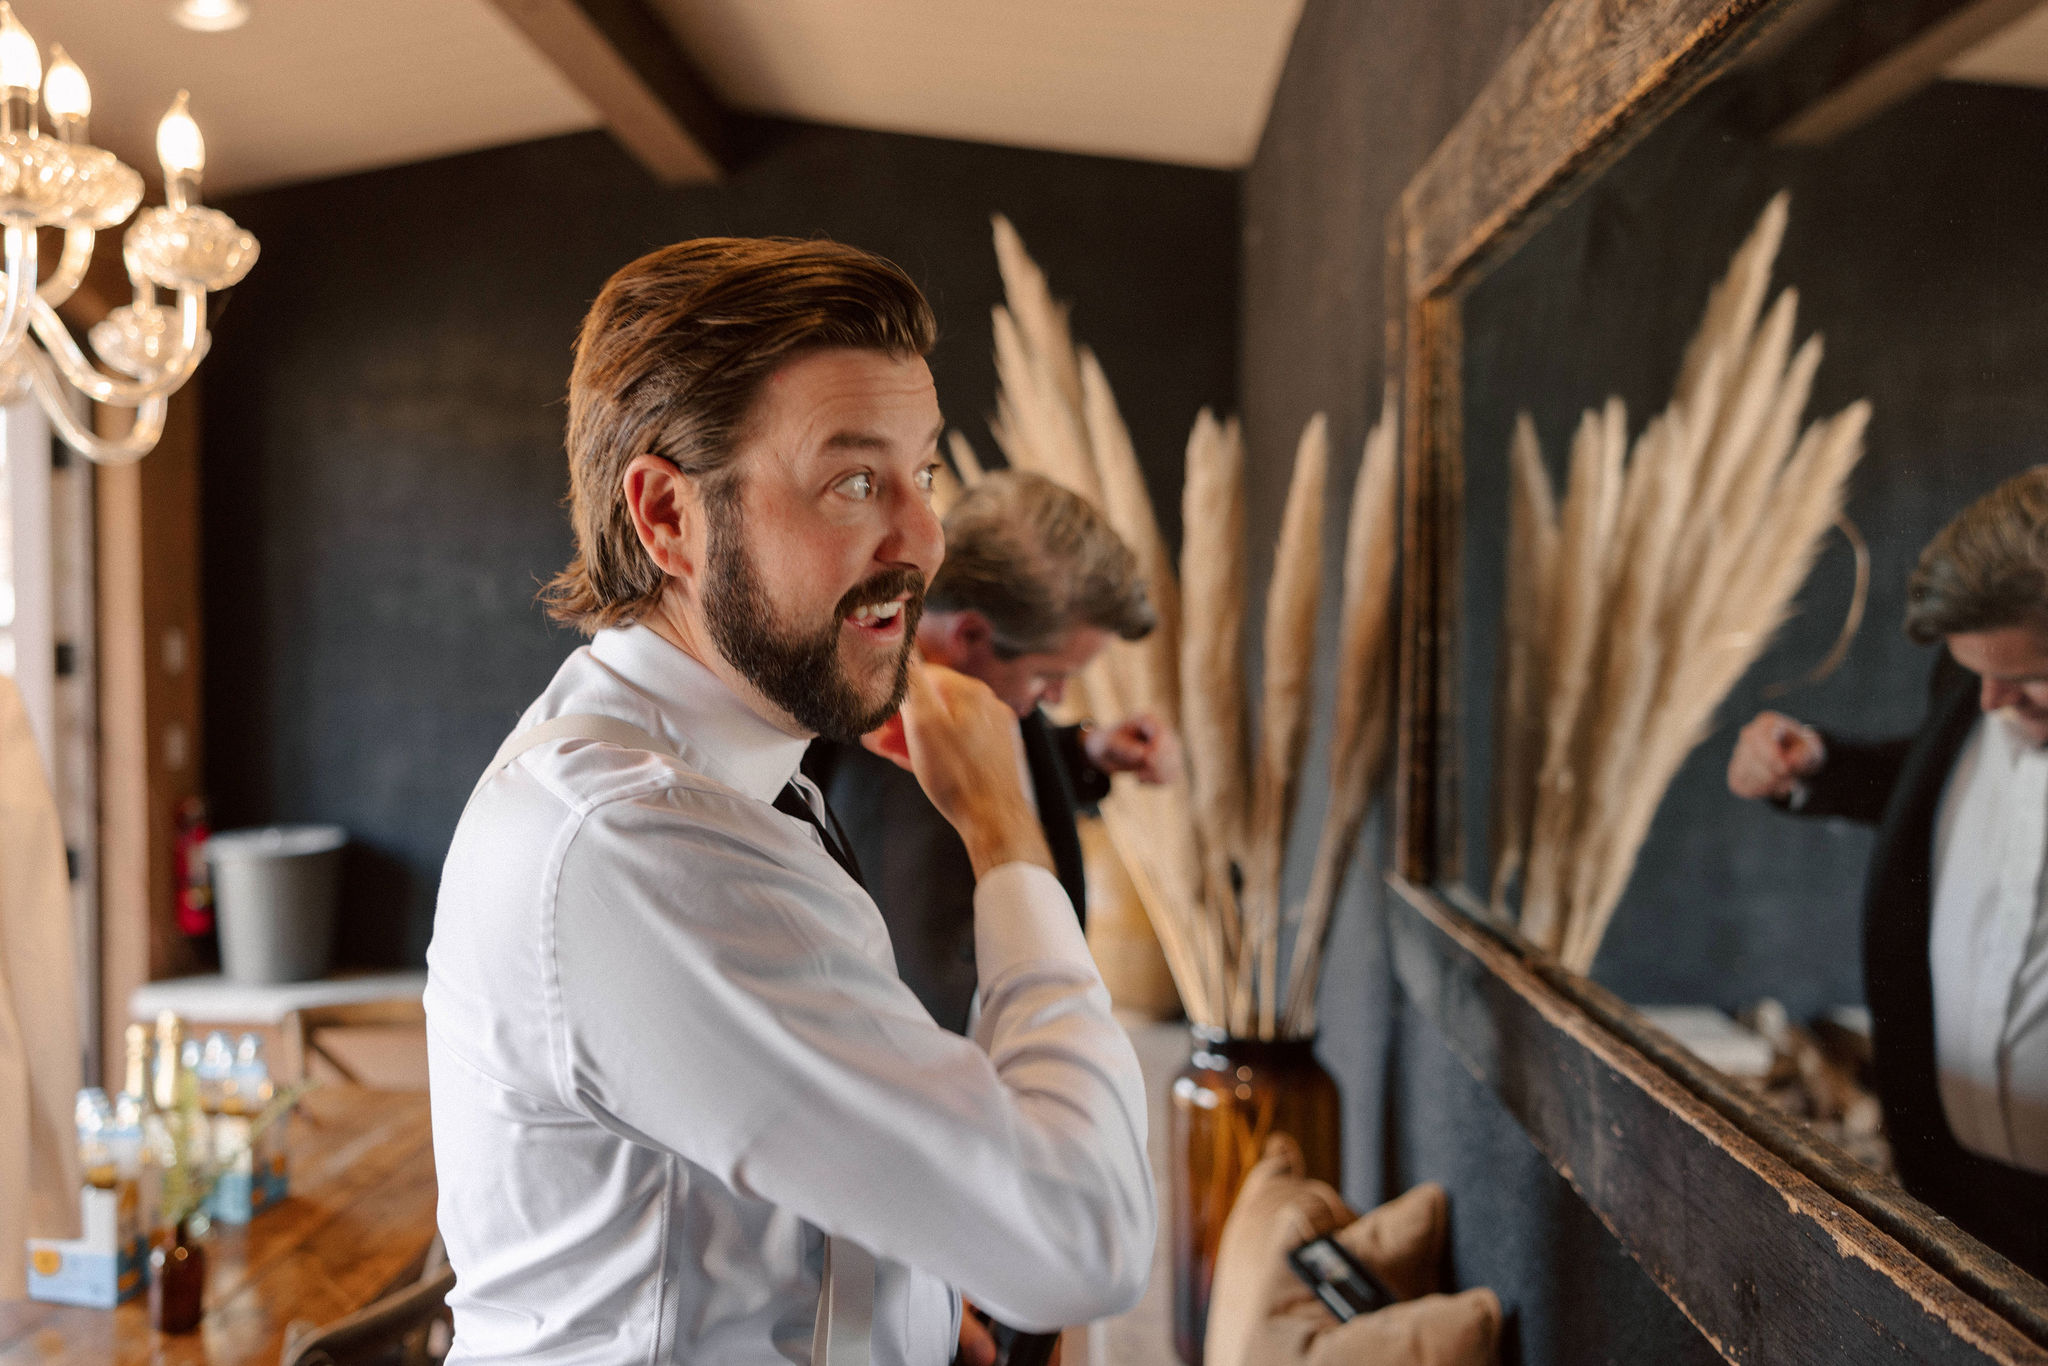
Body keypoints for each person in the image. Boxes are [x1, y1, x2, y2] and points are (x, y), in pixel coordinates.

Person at [424, 237, 1154, 1364]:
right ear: (667, 516)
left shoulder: (741, 771)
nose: (921, 537)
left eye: (926, 474)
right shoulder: (631, 843)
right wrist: (1007, 837)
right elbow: (1084, 1242)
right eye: (854, 480)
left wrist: (907, 1303)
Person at [1727, 465, 2048, 1275]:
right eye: (1978, 673)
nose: (1989, 702)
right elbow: (1945, 790)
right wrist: (1817, 769)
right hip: (1949, 1181)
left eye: (2027, 682)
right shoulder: (1981, 679)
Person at [806, 469, 1180, 1033]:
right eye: (1048, 675)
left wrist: (1085, 750)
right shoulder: (880, 746)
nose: (1055, 696)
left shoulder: (974, 687)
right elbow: (927, 996)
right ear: (970, 634)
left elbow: (999, 754)